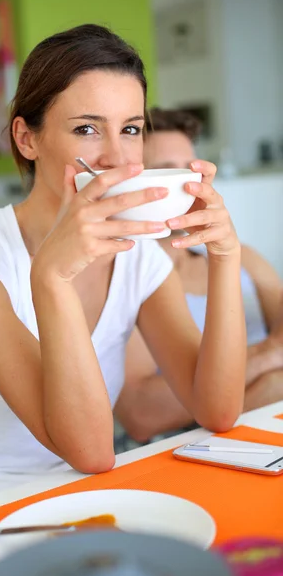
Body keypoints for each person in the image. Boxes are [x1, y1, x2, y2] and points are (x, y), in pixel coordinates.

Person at [0, 25, 245, 511]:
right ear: (27, 139)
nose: (117, 157)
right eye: (86, 129)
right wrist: (52, 278)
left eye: (131, 129)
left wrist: (226, 257)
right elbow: (91, 451)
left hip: (84, 504)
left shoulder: (139, 258)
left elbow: (218, 410)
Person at [115, 108, 283, 443]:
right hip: (194, 443)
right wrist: (270, 358)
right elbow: (142, 414)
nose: (187, 184)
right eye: (166, 171)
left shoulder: (242, 258)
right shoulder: (125, 278)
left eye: (189, 169)